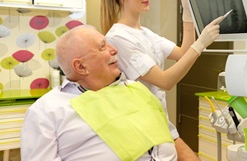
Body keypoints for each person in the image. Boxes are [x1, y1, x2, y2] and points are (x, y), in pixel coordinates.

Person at [100, 0, 224, 161]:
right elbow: (165, 81)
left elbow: (183, 53)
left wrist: (188, 16)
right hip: (140, 125)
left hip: (160, 120)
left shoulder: (146, 34)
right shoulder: (118, 38)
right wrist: (201, 44)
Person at [20, 25, 177, 161]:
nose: (114, 50)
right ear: (81, 67)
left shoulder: (135, 89)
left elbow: (171, 136)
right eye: (103, 47)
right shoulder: (47, 111)